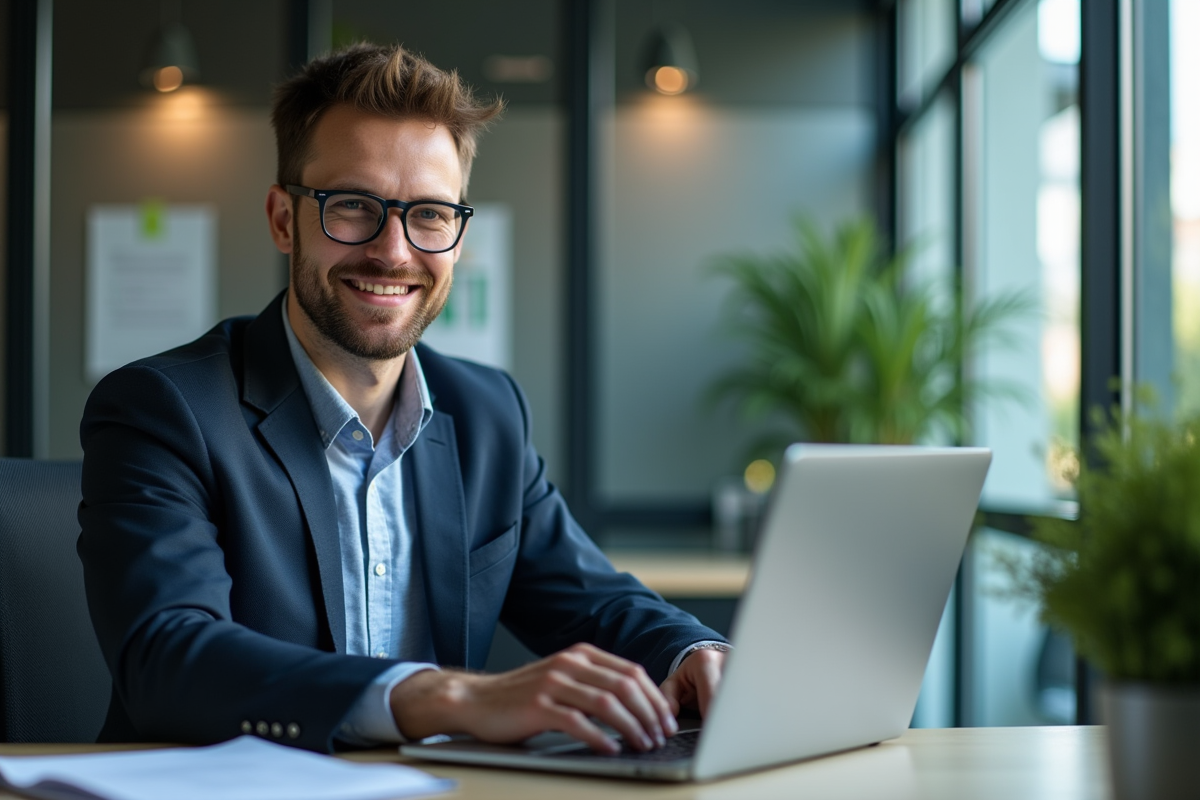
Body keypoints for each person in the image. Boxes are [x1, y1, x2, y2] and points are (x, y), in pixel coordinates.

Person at [78, 43, 728, 755]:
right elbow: (168, 659)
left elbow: (593, 598)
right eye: (353, 206)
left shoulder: (487, 413)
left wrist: (690, 651)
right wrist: (446, 695)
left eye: (428, 214)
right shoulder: (164, 408)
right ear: (283, 219)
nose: (393, 252)